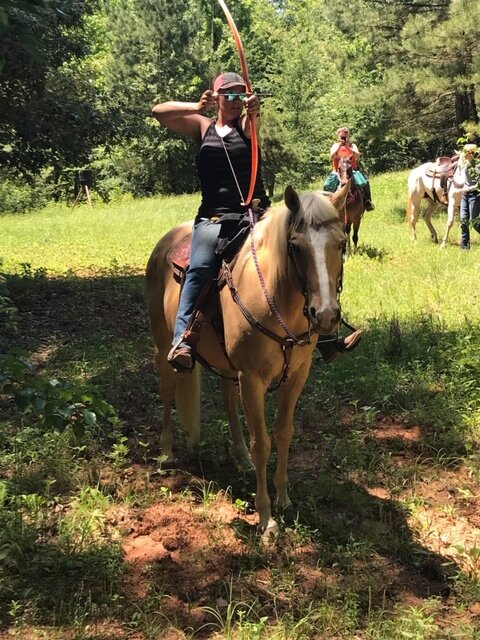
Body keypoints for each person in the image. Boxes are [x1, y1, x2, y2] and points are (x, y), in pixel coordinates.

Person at [152, 73, 362, 371]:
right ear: (216, 97)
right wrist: (196, 106)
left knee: (308, 253)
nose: (236, 101)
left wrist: (255, 112)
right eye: (229, 95)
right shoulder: (202, 126)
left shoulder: (247, 125)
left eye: (241, 95)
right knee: (199, 267)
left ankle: (326, 333)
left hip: (257, 213)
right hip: (214, 217)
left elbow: (254, 126)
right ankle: (183, 339)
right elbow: (159, 112)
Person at [324, 126, 375, 211]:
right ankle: (325, 204)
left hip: (352, 170)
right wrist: (339, 146)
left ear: (348, 136)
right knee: (327, 185)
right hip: (338, 171)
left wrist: (348, 147)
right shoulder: (335, 145)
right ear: (338, 136)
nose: (343, 138)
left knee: (365, 182)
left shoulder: (352, 145)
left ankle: (367, 201)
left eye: (345, 136)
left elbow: (357, 156)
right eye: (341, 136)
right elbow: (332, 156)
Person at [459, 143, 480, 250]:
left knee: (474, 222)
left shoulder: (477, 166)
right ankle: (464, 247)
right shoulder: (465, 164)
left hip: (475, 195)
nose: (464, 155)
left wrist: (466, 189)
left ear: (471, 153)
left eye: (466, 153)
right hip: (465, 195)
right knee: (463, 220)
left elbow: (478, 185)